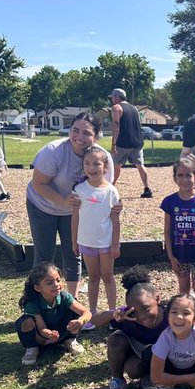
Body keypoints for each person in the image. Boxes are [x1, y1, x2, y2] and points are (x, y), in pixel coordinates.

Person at [25, 113, 116, 298]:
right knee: (45, 254)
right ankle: (39, 300)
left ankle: (71, 301)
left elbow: (104, 189)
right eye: (75, 130)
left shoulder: (101, 158)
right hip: (42, 205)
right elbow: (38, 183)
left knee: (74, 251)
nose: (79, 137)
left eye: (86, 133)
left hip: (74, 211)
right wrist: (63, 201)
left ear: (96, 136)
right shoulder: (54, 151)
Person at [91, 268, 168, 389]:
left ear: (157, 299)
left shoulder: (170, 315)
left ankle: (151, 377)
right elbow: (95, 320)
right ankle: (118, 382)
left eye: (146, 308)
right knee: (117, 345)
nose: (141, 316)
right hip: (141, 351)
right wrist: (115, 314)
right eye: (135, 311)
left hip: (163, 355)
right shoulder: (127, 315)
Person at [71, 146, 121, 320]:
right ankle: (91, 312)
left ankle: (113, 312)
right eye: (87, 163)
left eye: (96, 164)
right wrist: (74, 241)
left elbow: (115, 220)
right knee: (93, 277)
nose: (92, 168)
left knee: (108, 276)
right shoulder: (79, 190)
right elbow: (75, 218)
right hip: (86, 242)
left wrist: (115, 244)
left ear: (105, 167)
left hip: (106, 244)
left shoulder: (111, 191)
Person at [160, 155, 195, 312]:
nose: (184, 179)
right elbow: (167, 231)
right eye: (180, 175)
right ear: (175, 178)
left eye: (188, 175)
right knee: (183, 289)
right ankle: (186, 316)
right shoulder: (169, 202)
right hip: (180, 255)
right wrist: (171, 257)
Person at [15, 262, 90, 367]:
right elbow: (41, 329)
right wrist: (50, 334)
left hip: (62, 333)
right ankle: (32, 349)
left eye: (58, 280)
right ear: (38, 288)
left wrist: (80, 321)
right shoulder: (33, 304)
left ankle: (70, 340)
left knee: (75, 311)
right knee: (26, 321)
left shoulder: (64, 297)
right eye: (49, 283)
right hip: (42, 338)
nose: (56, 285)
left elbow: (86, 313)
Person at [109, 88, 151, 198]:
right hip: (137, 142)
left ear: (117, 97)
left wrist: (113, 144)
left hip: (122, 143)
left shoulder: (116, 108)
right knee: (140, 165)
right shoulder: (134, 108)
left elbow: (116, 125)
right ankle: (147, 189)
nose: (112, 99)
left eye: (113, 97)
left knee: (115, 166)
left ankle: (110, 189)